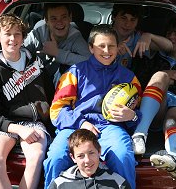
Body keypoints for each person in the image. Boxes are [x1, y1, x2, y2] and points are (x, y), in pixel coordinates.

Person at [43, 24, 142, 189]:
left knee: (123, 156)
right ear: (90, 47)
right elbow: (57, 110)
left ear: (118, 48)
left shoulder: (129, 78)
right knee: (56, 157)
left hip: (111, 127)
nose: (106, 50)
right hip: (75, 126)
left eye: (111, 46)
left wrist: (131, 116)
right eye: (101, 46)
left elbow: (138, 115)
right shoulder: (74, 72)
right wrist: (81, 123)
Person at [0, 13, 54, 189]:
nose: (12, 39)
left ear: (23, 37)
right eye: (7, 34)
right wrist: (18, 129)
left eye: (17, 34)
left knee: (36, 156)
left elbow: (51, 97)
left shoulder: (36, 62)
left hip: (34, 123)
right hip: (6, 124)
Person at [131, 16, 176, 179]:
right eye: (169, 34)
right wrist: (168, 75)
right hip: (157, 104)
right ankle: (139, 136)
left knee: (172, 121)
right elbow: (143, 81)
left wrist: (163, 79)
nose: (172, 38)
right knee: (160, 75)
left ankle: (174, 157)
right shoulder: (156, 57)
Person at [23, 3, 91, 85]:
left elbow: (90, 61)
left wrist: (57, 53)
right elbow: (19, 50)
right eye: (53, 19)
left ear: (70, 18)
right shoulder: (38, 33)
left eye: (64, 17)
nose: (59, 22)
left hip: (63, 84)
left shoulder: (75, 37)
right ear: (46, 21)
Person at [49, 129, 131, 189]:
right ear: (73, 157)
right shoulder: (59, 185)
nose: (87, 160)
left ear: (99, 151)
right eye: (81, 156)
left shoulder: (118, 183)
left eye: (91, 153)